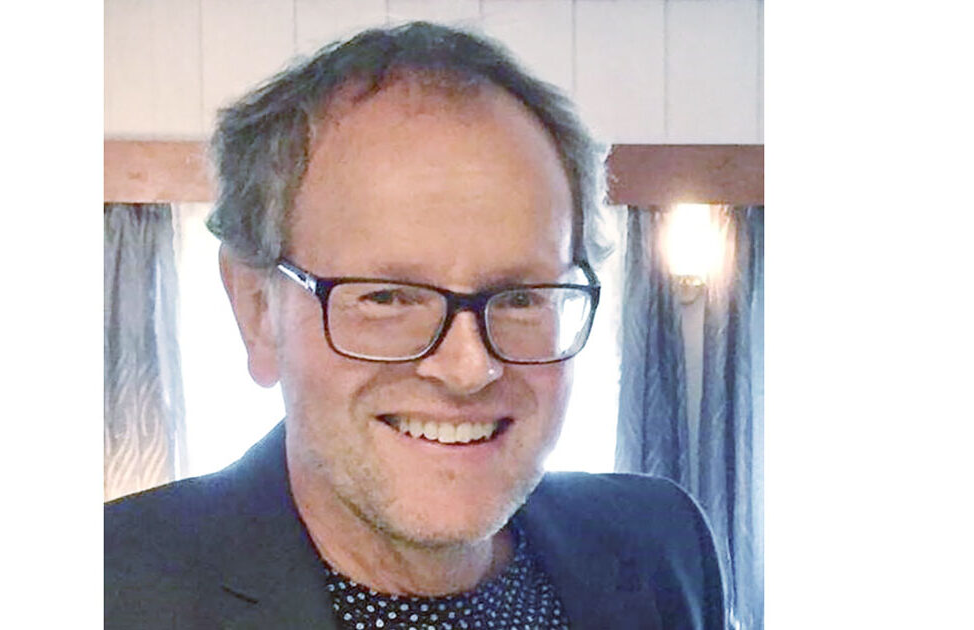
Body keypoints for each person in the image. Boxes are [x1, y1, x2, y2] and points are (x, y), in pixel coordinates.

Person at [105, 22, 724, 629]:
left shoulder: (660, 547)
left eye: (520, 298)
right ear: (257, 310)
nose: (468, 369)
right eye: (387, 298)